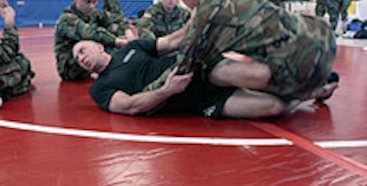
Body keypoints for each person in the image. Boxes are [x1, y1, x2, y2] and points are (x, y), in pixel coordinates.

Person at [145, 0, 338, 108]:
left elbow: (183, 69)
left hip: (294, 68)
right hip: (323, 37)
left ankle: (306, 91)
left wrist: (146, 94)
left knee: (209, 71)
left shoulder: (204, 17)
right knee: (257, 51)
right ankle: (319, 83)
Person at [72, 32, 336, 119]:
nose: (81, 58)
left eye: (82, 50)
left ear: (98, 45)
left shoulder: (132, 47)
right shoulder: (99, 89)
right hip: (195, 101)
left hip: (197, 72)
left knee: (256, 77)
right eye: (77, 59)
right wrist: (166, 91)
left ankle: (312, 84)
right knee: (274, 106)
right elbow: (129, 106)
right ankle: (309, 93)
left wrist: (199, 12)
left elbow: (174, 40)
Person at [54, 0, 135, 81]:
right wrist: (117, 41)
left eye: (95, 2)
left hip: (88, 60)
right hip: (70, 67)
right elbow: (89, 34)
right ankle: (121, 72)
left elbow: (115, 19)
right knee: (105, 44)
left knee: (112, 29)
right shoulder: (66, 19)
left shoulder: (93, 13)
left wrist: (127, 32)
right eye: (87, 2)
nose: (92, 6)